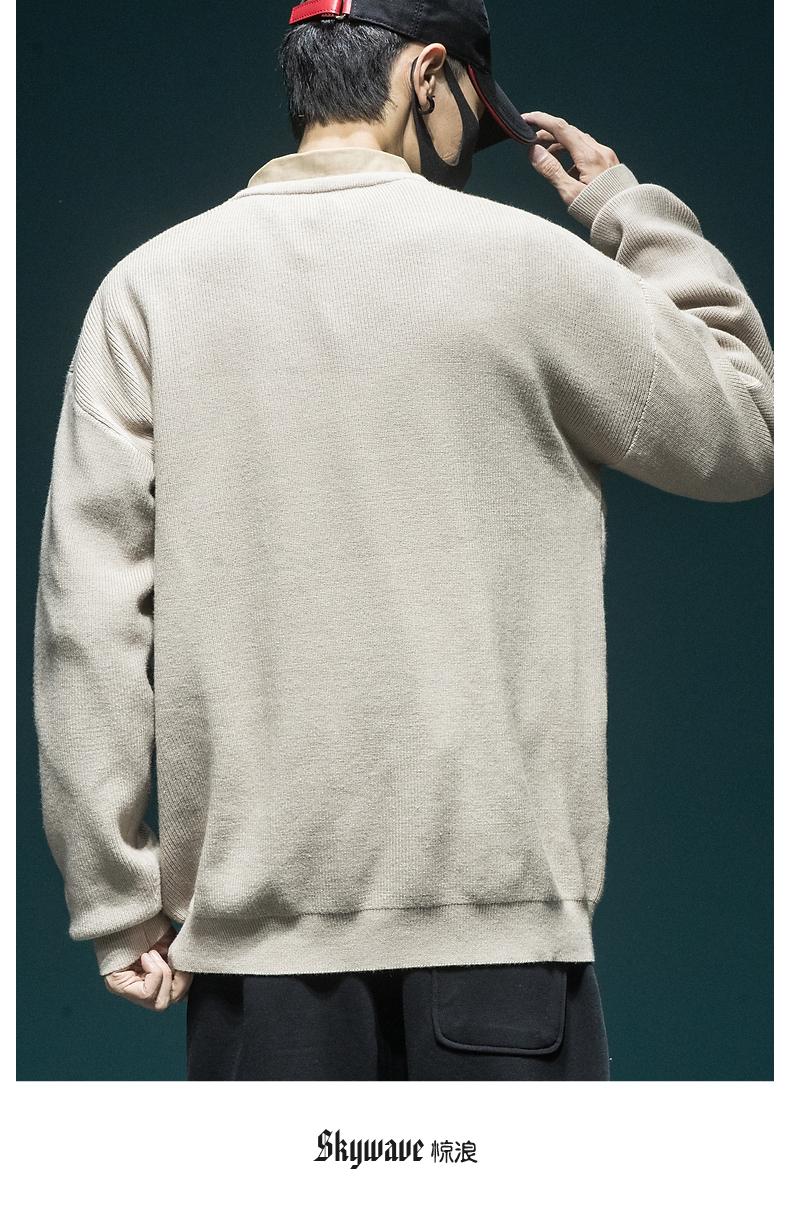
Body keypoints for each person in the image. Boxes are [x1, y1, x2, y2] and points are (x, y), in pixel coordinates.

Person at [32, 0, 773, 1081]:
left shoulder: (147, 290)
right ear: (427, 77)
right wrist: (624, 207)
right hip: (500, 929)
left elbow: (87, 614)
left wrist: (113, 892)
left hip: (255, 948)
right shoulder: (527, 265)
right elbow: (747, 426)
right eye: (473, 119)